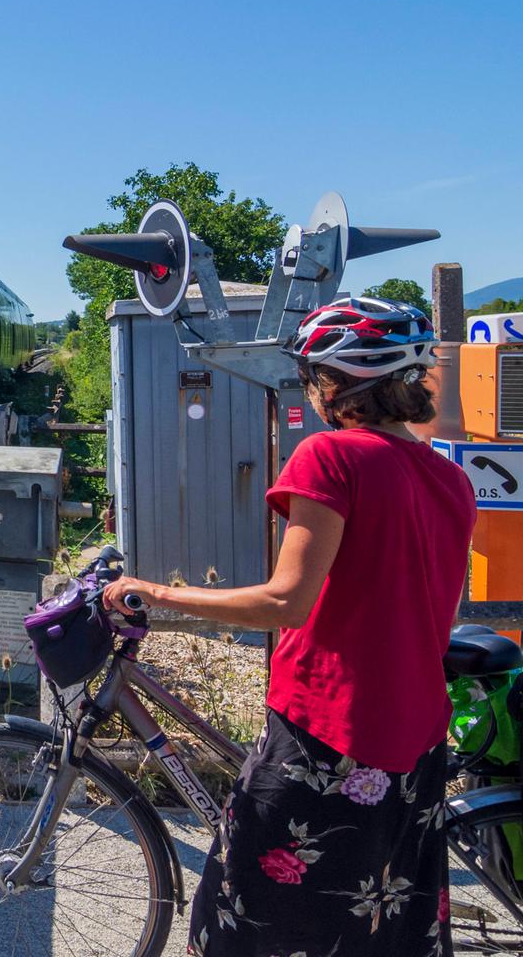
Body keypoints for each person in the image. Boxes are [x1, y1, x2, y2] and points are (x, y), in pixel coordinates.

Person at [102, 297, 477, 956]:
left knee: (244, 919)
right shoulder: (450, 477)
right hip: (416, 740)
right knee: (378, 928)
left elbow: (285, 603)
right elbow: (436, 613)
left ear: (339, 384)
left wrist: (156, 593)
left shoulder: (331, 457)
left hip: (329, 733)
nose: (310, 389)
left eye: (312, 377)